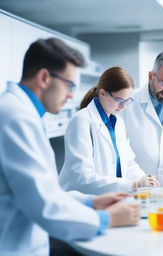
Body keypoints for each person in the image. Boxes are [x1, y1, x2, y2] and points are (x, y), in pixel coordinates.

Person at [0, 38, 141, 256]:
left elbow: (47, 191)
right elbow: (43, 204)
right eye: (69, 85)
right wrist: (107, 218)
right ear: (45, 77)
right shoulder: (15, 117)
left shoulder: (25, 114)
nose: (72, 95)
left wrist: (91, 201)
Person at [59, 67, 159, 195]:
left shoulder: (118, 121)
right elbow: (82, 177)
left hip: (109, 199)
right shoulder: (82, 120)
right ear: (102, 93)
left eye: (127, 101)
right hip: (82, 201)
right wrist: (132, 185)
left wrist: (143, 180)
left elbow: (127, 163)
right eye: (119, 100)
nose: (123, 107)